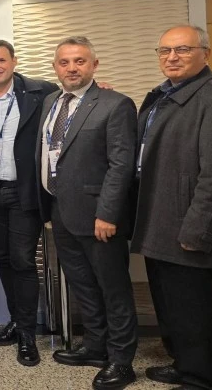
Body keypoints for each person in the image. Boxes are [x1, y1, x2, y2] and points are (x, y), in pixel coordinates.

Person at [131, 25, 212, 390]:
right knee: (171, 304)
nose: (172, 57)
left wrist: (199, 231)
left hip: (187, 226)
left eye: (183, 50)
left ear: (205, 54)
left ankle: (202, 379)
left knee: (193, 308)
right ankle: (183, 364)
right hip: (159, 221)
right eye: (165, 51)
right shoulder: (165, 95)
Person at [37, 37, 138, 390]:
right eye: (64, 62)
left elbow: (121, 165)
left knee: (113, 289)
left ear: (94, 65)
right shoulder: (51, 101)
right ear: (55, 67)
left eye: (79, 61)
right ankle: (96, 347)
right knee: (82, 284)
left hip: (99, 217)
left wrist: (108, 213)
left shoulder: (115, 104)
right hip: (60, 211)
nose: (72, 68)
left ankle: (122, 361)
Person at [0, 39, 58, 366]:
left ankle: (28, 334)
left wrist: (98, 91)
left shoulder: (42, 92)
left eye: (1, 60)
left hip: (24, 191)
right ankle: (17, 322)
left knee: (22, 260)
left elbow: (70, 109)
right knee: (3, 258)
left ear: (14, 61)